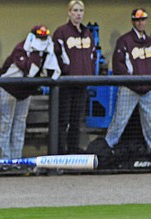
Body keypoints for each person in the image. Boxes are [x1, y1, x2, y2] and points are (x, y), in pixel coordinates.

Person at [0, 25, 60, 170]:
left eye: (44, 38)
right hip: (9, 89)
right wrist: (36, 53)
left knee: (20, 124)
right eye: (39, 38)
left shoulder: (45, 51)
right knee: (6, 124)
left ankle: (17, 160)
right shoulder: (21, 48)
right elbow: (30, 70)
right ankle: (5, 162)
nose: (42, 41)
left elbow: (52, 71)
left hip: (25, 93)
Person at [103, 8, 151, 152]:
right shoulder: (124, 40)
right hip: (129, 89)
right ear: (132, 21)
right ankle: (107, 149)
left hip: (147, 91)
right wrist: (133, 83)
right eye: (137, 20)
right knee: (119, 121)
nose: (140, 22)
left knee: (150, 123)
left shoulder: (150, 41)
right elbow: (118, 67)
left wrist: (149, 85)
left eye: (143, 19)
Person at [53, 0, 96, 154]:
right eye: (75, 10)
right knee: (63, 121)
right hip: (67, 83)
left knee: (76, 122)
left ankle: (72, 153)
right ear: (69, 12)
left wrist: (89, 72)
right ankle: (59, 153)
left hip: (83, 83)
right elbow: (56, 55)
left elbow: (93, 55)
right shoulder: (61, 32)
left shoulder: (87, 33)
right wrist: (67, 70)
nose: (78, 14)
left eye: (81, 11)